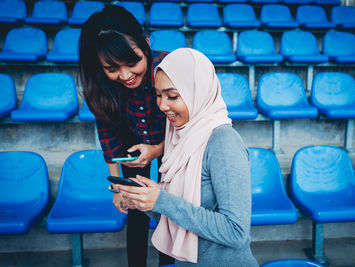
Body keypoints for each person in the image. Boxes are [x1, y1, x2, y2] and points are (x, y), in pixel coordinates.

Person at [116, 48, 259, 266]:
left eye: (172, 96)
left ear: (198, 92)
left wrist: (161, 200)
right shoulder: (180, 136)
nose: (162, 106)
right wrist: (146, 201)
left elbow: (236, 232)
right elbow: (180, 212)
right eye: (158, 95)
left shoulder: (223, 142)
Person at [78, 5, 173, 267]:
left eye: (133, 62)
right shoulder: (100, 84)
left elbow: (191, 125)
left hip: (174, 143)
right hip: (131, 142)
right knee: (135, 209)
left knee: (170, 205)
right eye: (112, 68)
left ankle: (170, 263)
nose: (125, 75)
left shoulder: (170, 67)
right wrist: (117, 187)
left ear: (146, 44)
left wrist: (157, 149)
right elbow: (107, 134)